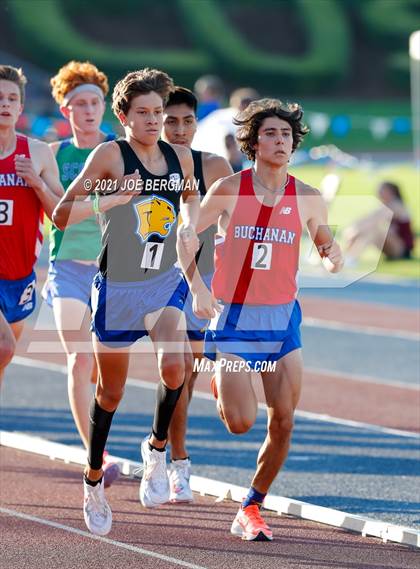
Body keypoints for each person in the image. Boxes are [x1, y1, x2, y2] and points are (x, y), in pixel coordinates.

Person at [177, 98, 343, 541]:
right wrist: (196, 287)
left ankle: (251, 505)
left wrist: (331, 254)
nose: (280, 141)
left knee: (284, 420)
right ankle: (218, 379)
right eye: (270, 133)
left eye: (286, 135)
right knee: (240, 423)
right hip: (233, 320)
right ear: (253, 142)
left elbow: (323, 239)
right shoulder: (230, 190)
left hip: (283, 322)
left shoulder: (307, 196)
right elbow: (187, 237)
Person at [53, 68, 200, 536]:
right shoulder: (109, 157)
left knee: (176, 367)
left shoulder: (180, 158)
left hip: (162, 283)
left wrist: (191, 223)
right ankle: (93, 478)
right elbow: (61, 215)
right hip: (117, 287)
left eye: (159, 112)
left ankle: (156, 448)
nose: (154, 120)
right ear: (123, 116)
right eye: (143, 113)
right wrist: (110, 201)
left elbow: (191, 199)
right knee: (110, 393)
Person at [43, 61, 119, 487]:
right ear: (65, 109)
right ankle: (96, 450)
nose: (89, 110)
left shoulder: (117, 151)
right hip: (68, 268)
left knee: (107, 367)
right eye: (80, 104)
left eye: (95, 102)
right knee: (80, 358)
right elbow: (57, 215)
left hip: (113, 271)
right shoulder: (53, 155)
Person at [162, 86, 233, 502]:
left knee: (185, 379)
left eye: (187, 120)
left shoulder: (215, 166)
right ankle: (179, 464)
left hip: (204, 283)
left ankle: (168, 450)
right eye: (171, 120)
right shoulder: (144, 166)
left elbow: (233, 224)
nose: (180, 128)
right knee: (178, 369)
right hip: (156, 282)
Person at [0, 65, 63, 386]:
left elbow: (61, 214)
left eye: (11, 98)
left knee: (2, 360)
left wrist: (36, 183)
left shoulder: (36, 153)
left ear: (21, 107)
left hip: (19, 275)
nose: (5, 104)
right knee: (3, 348)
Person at [344, 181, 414, 266]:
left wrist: (355, 231)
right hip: (390, 246)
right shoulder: (383, 206)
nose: (379, 193)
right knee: (367, 230)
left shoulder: (397, 205)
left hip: (401, 249)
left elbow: (375, 220)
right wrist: (353, 229)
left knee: (373, 231)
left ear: (390, 192)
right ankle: (347, 257)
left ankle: (352, 258)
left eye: (381, 191)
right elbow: (367, 219)